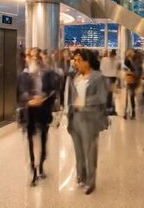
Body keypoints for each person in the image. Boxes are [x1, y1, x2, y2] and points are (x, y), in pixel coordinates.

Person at [17, 48, 62, 186]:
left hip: (43, 111)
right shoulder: (23, 76)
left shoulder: (48, 74)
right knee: (30, 141)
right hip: (29, 112)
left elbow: (54, 90)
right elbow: (18, 93)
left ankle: (41, 163)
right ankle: (33, 170)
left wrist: (43, 98)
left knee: (43, 139)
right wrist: (28, 99)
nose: (33, 59)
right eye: (31, 56)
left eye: (36, 56)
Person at [67, 49, 109, 195]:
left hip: (90, 118)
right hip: (75, 118)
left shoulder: (98, 77)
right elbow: (71, 97)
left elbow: (103, 97)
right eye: (75, 60)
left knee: (89, 151)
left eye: (79, 60)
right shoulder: (76, 77)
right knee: (79, 151)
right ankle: (81, 176)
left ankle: (91, 181)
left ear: (87, 61)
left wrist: (84, 102)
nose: (76, 63)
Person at [100, 49, 119, 116]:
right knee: (111, 93)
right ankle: (110, 108)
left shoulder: (104, 59)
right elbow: (117, 70)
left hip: (105, 77)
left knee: (106, 93)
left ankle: (106, 108)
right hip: (113, 78)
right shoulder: (117, 61)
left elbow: (101, 69)